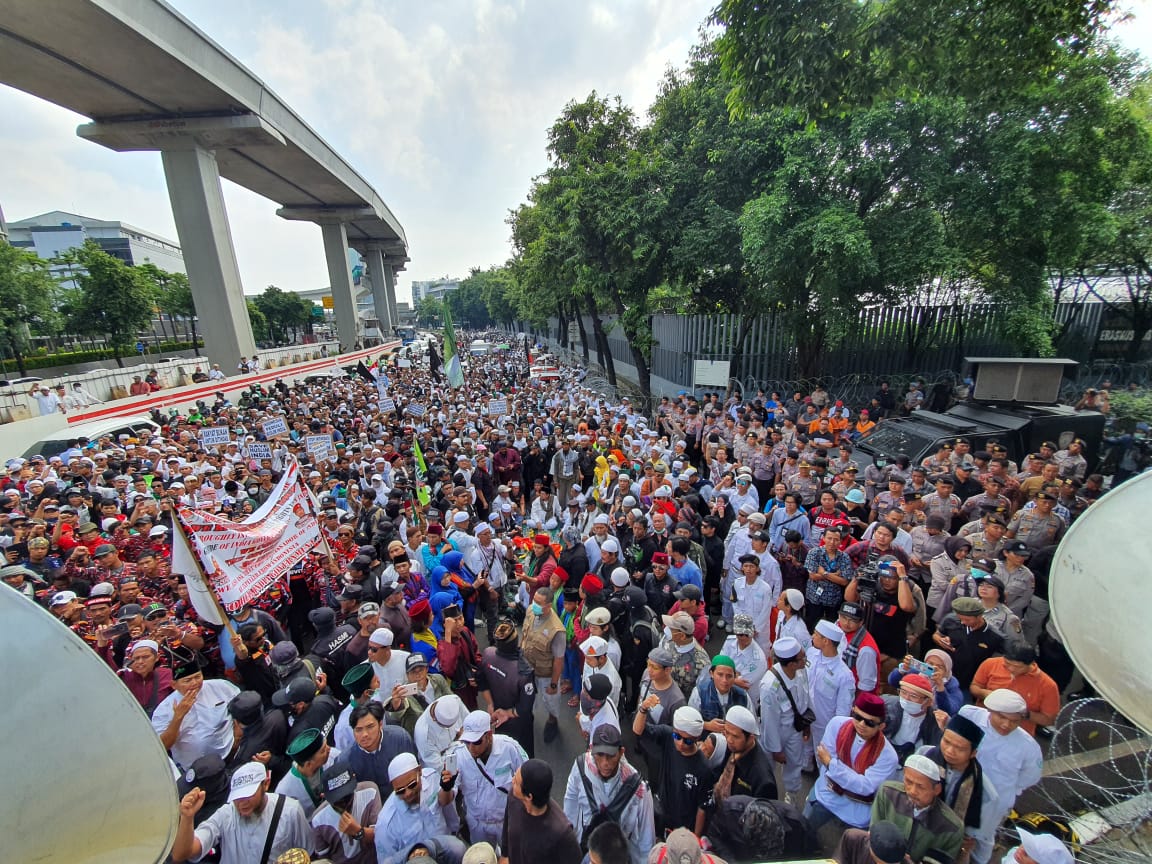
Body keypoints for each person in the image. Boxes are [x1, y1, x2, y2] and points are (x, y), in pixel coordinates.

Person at [171, 761, 314, 864]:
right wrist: (187, 817)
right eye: (237, 797)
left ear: (265, 784)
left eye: (248, 795)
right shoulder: (226, 814)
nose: (242, 803)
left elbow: (308, 853)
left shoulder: (290, 811)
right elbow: (181, 854)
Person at [805, 692, 899, 833]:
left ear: (881, 726)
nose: (861, 724)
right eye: (858, 717)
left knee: (852, 849)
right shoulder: (837, 724)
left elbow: (865, 787)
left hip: (857, 809)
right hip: (827, 793)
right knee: (803, 830)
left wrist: (832, 765)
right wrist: (848, 775)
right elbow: (823, 757)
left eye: (870, 722)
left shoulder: (888, 756)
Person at [563, 725, 656, 864]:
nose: (605, 763)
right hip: (589, 851)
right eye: (600, 755)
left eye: (611, 755)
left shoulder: (639, 788)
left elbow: (646, 837)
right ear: (591, 751)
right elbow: (570, 806)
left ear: (621, 752)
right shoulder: (580, 767)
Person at [959, 690, 1044, 841]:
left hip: (993, 801)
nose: (1007, 724)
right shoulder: (969, 715)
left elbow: (1030, 777)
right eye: (1002, 717)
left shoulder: (1029, 747)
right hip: (961, 786)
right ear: (990, 711)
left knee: (981, 838)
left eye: (1014, 721)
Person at [850, 754, 966, 864]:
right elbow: (875, 835)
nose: (912, 791)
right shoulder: (887, 793)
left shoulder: (952, 827)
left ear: (937, 789)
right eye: (908, 782)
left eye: (920, 786)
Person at [918, 713, 1000, 864]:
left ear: (973, 753)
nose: (949, 751)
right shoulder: (924, 756)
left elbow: (976, 838)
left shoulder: (986, 794)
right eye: (946, 741)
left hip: (949, 849)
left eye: (959, 748)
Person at [437, 710, 528, 846]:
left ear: (489, 735)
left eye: (477, 742)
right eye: (467, 742)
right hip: (477, 824)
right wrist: (446, 787)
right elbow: (444, 801)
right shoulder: (457, 756)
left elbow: (529, 780)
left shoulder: (510, 748)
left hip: (508, 821)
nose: (471, 748)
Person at [632, 705, 711, 834]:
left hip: (684, 827)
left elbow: (702, 807)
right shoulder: (668, 737)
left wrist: (695, 838)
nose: (680, 743)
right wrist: (643, 709)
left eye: (688, 741)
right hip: (661, 812)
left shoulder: (703, 768)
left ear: (696, 739)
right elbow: (638, 730)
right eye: (677, 736)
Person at [151, 655, 240, 770]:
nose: (194, 683)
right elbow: (162, 746)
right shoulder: (163, 710)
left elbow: (241, 705)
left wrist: (239, 732)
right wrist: (178, 716)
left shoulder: (220, 687)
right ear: (174, 685)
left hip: (229, 753)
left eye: (197, 677)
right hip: (195, 768)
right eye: (187, 680)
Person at [373, 752, 464, 864]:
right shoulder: (386, 823)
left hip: (444, 853)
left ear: (420, 771)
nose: (407, 793)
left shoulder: (432, 778)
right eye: (400, 791)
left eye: (412, 785)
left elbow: (444, 802)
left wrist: (446, 788)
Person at [758, 636, 811, 806]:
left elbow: (805, 697)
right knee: (768, 768)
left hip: (795, 728)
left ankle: (792, 794)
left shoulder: (801, 670)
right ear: (791, 664)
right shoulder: (770, 686)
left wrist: (806, 725)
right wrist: (776, 749)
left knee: (795, 764)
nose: (805, 660)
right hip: (777, 731)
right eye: (802, 658)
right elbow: (769, 721)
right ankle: (767, 797)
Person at [502, 758, 583, 864]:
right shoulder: (514, 797)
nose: (512, 781)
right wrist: (504, 855)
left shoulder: (562, 833)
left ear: (529, 796)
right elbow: (507, 828)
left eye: (516, 782)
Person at [969, 641, 1059, 735]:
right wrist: (986, 694)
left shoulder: (1047, 685)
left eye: (1017, 667)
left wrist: (1024, 713)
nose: (1011, 669)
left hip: (1016, 732)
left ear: (1031, 663)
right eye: (1007, 663)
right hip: (982, 724)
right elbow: (974, 687)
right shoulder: (990, 664)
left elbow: (1049, 720)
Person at [309, 761, 381, 864]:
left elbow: (381, 835)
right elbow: (324, 860)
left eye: (347, 797)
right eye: (337, 800)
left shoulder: (370, 792)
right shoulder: (318, 819)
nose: (344, 804)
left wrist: (359, 832)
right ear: (323, 796)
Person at [520, 585, 566, 743]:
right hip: (527, 667)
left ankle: (552, 721)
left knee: (550, 701)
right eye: (534, 600)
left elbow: (559, 659)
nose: (535, 605)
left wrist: (554, 684)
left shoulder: (557, 630)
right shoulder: (531, 611)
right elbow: (525, 635)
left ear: (548, 606)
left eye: (539, 603)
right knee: (526, 697)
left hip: (545, 672)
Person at [933, 597, 1006, 692]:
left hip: (967, 683)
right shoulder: (950, 620)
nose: (963, 622)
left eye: (967, 620)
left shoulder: (995, 636)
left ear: (979, 616)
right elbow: (937, 635)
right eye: (960, 618)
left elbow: (999, 662)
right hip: (943, 677)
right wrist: (940, 640)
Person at [710, 704, 778, 804]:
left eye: (735, 736)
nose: (729, 740)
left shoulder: (763, 779)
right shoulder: (734, 747)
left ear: (751, 738)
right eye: (727, 733)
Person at [344, 702, 417, 793]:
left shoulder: (400, 738)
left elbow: (415, 772)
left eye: (370, 727)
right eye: (358, 730)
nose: (364, 734)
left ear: (380, 724)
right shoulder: (346, 760)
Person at [806, 619, 857, 751]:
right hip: (805, 719)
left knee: (822, 762)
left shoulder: (844, 675)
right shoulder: (811, 654)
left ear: (826, 641)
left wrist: (835, 734)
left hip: (824, 727)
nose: (812, 636)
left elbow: (843, 711)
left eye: (816, 634)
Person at [881, 672, 943, 764]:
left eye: (913, 696)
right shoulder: (887, 706)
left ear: (928, 701)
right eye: (903, 692)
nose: (907, 698)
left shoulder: (936, 721)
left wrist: (942, 729)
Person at [837, 601, 881, 695]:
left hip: (852, 694)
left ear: (861, 622)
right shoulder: (836, 627)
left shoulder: (866, 649)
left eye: (852, 620)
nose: (846, 623)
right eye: (844, 618)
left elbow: (867, 685)